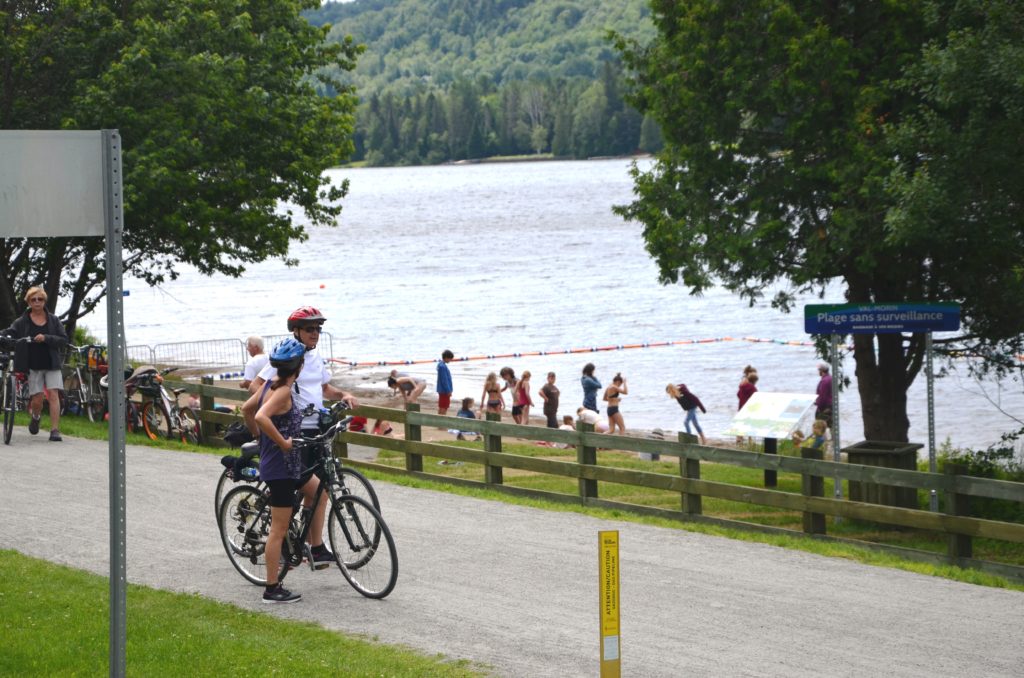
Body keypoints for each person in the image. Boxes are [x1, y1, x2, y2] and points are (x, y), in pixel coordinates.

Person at [241, 338, 331, 604]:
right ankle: (272, 589)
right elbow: (259, 416)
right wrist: (281, 443)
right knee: (278, 530)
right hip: (281, 468)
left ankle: (310, 545)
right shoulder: (281, 393)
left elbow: (247, 409)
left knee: (317, 490)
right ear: (299, 367)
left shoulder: (270, 384)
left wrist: (260, 439)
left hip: (290, 465)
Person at [249, 306, 359, 430]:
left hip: (319, 427)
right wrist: (279, 407)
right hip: (293, 429)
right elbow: (255, 386)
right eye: (309, 329)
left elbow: (325, 389)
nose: (315, 333)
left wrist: (344, 394)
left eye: (318, 329)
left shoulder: (315, 355)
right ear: (296, 331)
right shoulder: (286, 356)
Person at [2, 287, 68, 441]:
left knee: (53, 394)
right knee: (37, 399)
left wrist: (46, 338)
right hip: (32, 365)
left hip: (52, 364)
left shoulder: (54, 320)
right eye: (34, 299)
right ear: (29, 302)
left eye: (40, 299)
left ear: (44, 301)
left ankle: (54, 430)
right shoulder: (22, 321)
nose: (37, 302)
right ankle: (36, 417)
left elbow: (63, 339)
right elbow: (11, 332)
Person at [436, 349, 454, 415]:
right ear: (446, 358)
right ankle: (441, 422)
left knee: (442, 406)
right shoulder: (443, 367)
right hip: (444, 391)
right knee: (444, 406)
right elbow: (444, 380)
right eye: (450, 359)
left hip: (442, 390)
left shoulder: (441, 365)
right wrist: (448, 391)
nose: (450, 360)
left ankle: (439, 421)